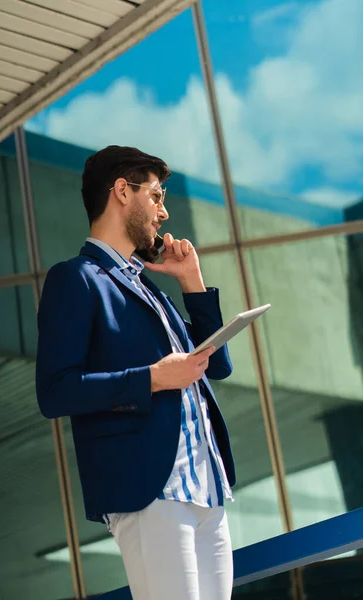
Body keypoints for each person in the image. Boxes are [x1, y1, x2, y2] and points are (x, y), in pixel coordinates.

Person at [36, 145, 236, 600]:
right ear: (122, 192)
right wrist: (153, 378)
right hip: (151, 492)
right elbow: (54, 391)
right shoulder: (78, 278)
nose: (163, 212)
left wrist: (190, 282)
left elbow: (216, 366)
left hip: (205, 487)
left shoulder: (149, 287)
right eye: (157, 196)